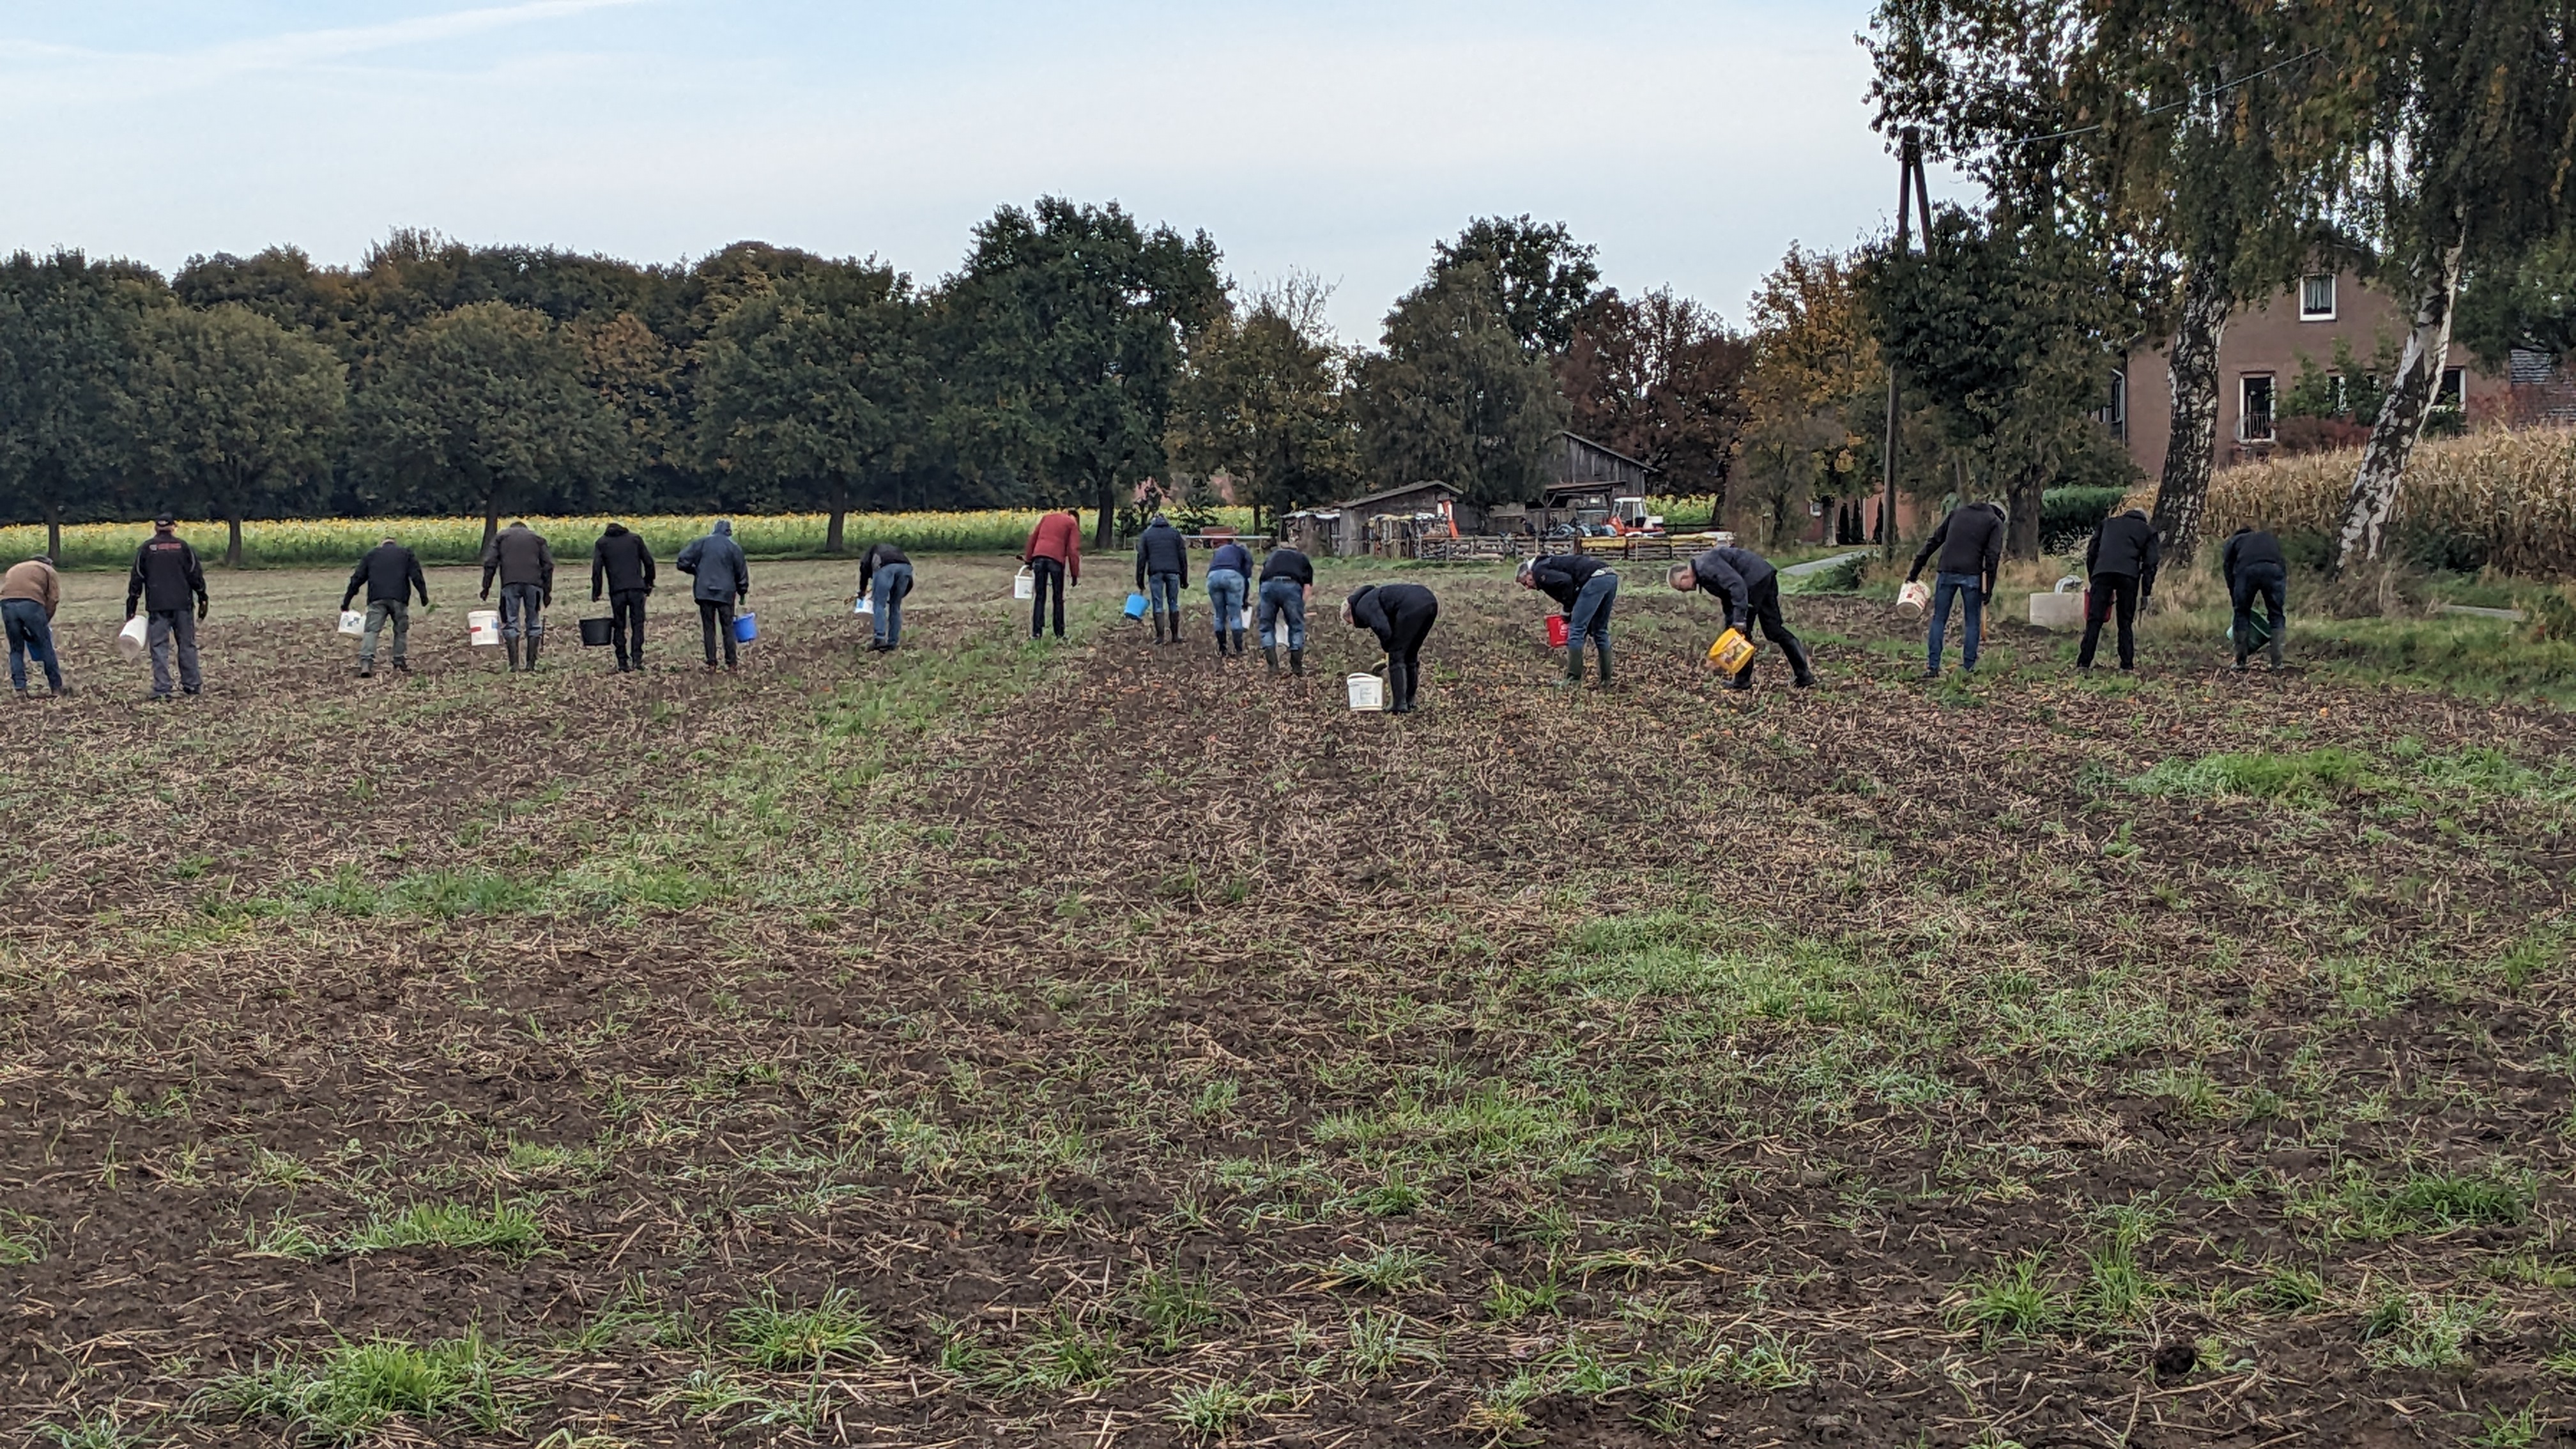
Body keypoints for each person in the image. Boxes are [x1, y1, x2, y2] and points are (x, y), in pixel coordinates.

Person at [1667, 545, 1816, 691]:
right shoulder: (1703, 572)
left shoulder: (1705, 566)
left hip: (1753, 582)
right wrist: (1730, 626)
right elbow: (1727, 598)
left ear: (1685, 576)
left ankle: (1742, 681)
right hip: (1764, 575)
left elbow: (1736, 585)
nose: (1683, 592)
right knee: (1774, 631)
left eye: (1680, 588)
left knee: (1742, 635)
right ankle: (1804, 677)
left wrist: (1738, 621)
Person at [1906, 500, 2005, 678]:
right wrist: (1988, 590)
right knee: (1972, 622)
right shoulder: (1994, 523)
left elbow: (1934, 541)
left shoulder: (1957, 513)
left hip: (1947, 570)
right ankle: (1968, 668)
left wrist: (1915, 571)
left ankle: (1933, 667)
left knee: (1939, 619)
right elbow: (1992, 556)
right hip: (1972, 575)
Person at [125, 515, 208, 701]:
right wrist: (203, 597)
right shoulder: (184, 547)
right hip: (183, 605)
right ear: (173, 527)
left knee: (159, 647)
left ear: (156, 528)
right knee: (187, 645)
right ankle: (192, 684)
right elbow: (196, 576)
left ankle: (162, 688)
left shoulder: (147, 549)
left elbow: (137, 577)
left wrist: (132, 604)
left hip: (157, 606)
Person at [2079, 506, 2162, 672]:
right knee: (2125, 622)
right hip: (2128, 576)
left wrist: (2093, 576)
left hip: (2102, 572)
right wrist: (2146, 593)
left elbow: (2092, 551)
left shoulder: (2108, 524)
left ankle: (2083, 664)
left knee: (2094, 620)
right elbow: (2150, 564)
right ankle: (2126, 666)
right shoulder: (2148, 531)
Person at [1519, 552, 1618, 687]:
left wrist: (1567, 609)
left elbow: (1566, 582)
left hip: (1594, 579)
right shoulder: (1549, 563)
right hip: (1610, 576)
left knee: (1576, 630)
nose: (1528, 587)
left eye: (1526, 583)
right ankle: (1606, 681)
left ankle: (1573, 680)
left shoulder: (1539, 572)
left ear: (1529, 573)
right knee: (1600, 630)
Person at [341, 535, 428, 678]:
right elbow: (416, 576)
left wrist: (347, 601)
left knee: (371, 631)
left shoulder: (372, 555)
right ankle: (399, 661)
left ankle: (366, 663)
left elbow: (357, 579)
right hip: (399, 598)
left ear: (382, 544)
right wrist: (423, 596)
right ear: (395, 543)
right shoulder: (406, 554)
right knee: (400, 630)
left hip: (377, 598)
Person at [1345, 583, 1439, 714]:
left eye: (1349, 620)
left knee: (1397, 655)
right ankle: (1410, 701)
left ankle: (1399, 705)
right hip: (1429, 601)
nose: (1351, 624)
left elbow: (1382, 628)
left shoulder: (1363, 606)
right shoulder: (1373, 597)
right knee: (1410, 654)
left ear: (1350, 611)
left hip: (1412, 605)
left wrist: (1389, 649)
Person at [480, 519, 555, 671]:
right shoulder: (538, 539)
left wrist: (486, 587)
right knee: (533, 622)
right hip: (534, 584)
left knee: (511, 621)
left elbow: (490, 563)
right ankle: (531, 665)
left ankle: (514, 665)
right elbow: (548, 565)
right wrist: (547, 592)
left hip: (510, 583)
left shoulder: (501, 537)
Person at [676, 519, 751, 671]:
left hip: (704, 592)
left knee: (708, 628)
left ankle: (711, 662)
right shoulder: (734, 548)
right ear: (729, 532)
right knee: (728, 628)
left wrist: (696, 571)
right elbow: (741, 572)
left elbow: (682, 561)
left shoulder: (701, 543)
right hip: (726, 593)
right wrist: (742, 590)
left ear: (714, 529)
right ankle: (731, 663)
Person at [590, 521, 657, 673]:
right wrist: (648, 582)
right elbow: (649, 562)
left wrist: (597, 591)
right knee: (638, 624)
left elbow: (597, 569)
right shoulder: (635, 539)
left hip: (617, 590)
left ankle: (622, 661)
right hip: (637, 588)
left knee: (619, 625)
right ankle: (637, 659)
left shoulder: (602, 543)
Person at [2222, 525, 2288, 671]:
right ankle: (2278, 663)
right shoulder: (2268, 538)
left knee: (2242, 613)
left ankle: (2240, 662)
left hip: (2247, 570)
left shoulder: (2235, 541)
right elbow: (2282, 565)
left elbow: (2228, 568)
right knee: (2276, 614)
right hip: (2274, 568)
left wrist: (2235, 598)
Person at [1, 554, 63, 697]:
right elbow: (53, 599)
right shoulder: (48, 570)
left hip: (7, 604)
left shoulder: (15, 568)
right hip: (31, 603)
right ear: (49, 563)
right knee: (45, 645)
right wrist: (45, 621)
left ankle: (20, 689)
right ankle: (56, 688)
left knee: (16, 648)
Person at [1022, 507, 1082, 640]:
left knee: (1040, 596)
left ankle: (1036, 633)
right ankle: (1059, 633)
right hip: (1056, 561)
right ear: (1075, 517)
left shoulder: (1047, 518)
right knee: (1058, 598)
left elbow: (1033, 538)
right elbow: (1073, 551)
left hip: (1038, 558)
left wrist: (1029, 560)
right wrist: (1074, 574)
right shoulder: (1072, 524)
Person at [1257, 544, 1315, 676]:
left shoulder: (1272, 557)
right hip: (1291, 586)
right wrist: (1300, 606)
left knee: (1266, 626)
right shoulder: (1302, 558)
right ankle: (1297, 668)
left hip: (1268, 586)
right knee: (1296, 626)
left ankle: (1273, 667)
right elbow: (1307, 587)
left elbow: (1262, 581)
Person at [1134, 512, 1191, 645]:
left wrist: (1140, 580)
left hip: (1155, 572)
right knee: (1173, 602)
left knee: (1158, 603)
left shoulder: (1147, 534)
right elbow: (1182, 556)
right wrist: (1184, 578)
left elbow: (1141, 557)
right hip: (1173, 571)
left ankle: (1160, 637)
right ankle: (1175, 636)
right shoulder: (1175, 534)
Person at [858, 540, 912, 652]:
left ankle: (879, 638)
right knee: (895, 606)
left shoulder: (869, 556)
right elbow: (910, 583)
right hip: (906, 568)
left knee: (879, 604)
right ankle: (893, 642)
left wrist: (862, 591)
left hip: (885, 567)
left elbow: (864, 570)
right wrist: (899, 596)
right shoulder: (895, 552)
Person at [1204, 537, 1253, 657]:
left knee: (1219, 615)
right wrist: (1245, 600)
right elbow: (1247, 578)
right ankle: (1239, 650)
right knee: (1235, 616)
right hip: (1232, 576)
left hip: (1213, 577)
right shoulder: (1244, 553)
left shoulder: (1221, 551)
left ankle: (1222, 649)